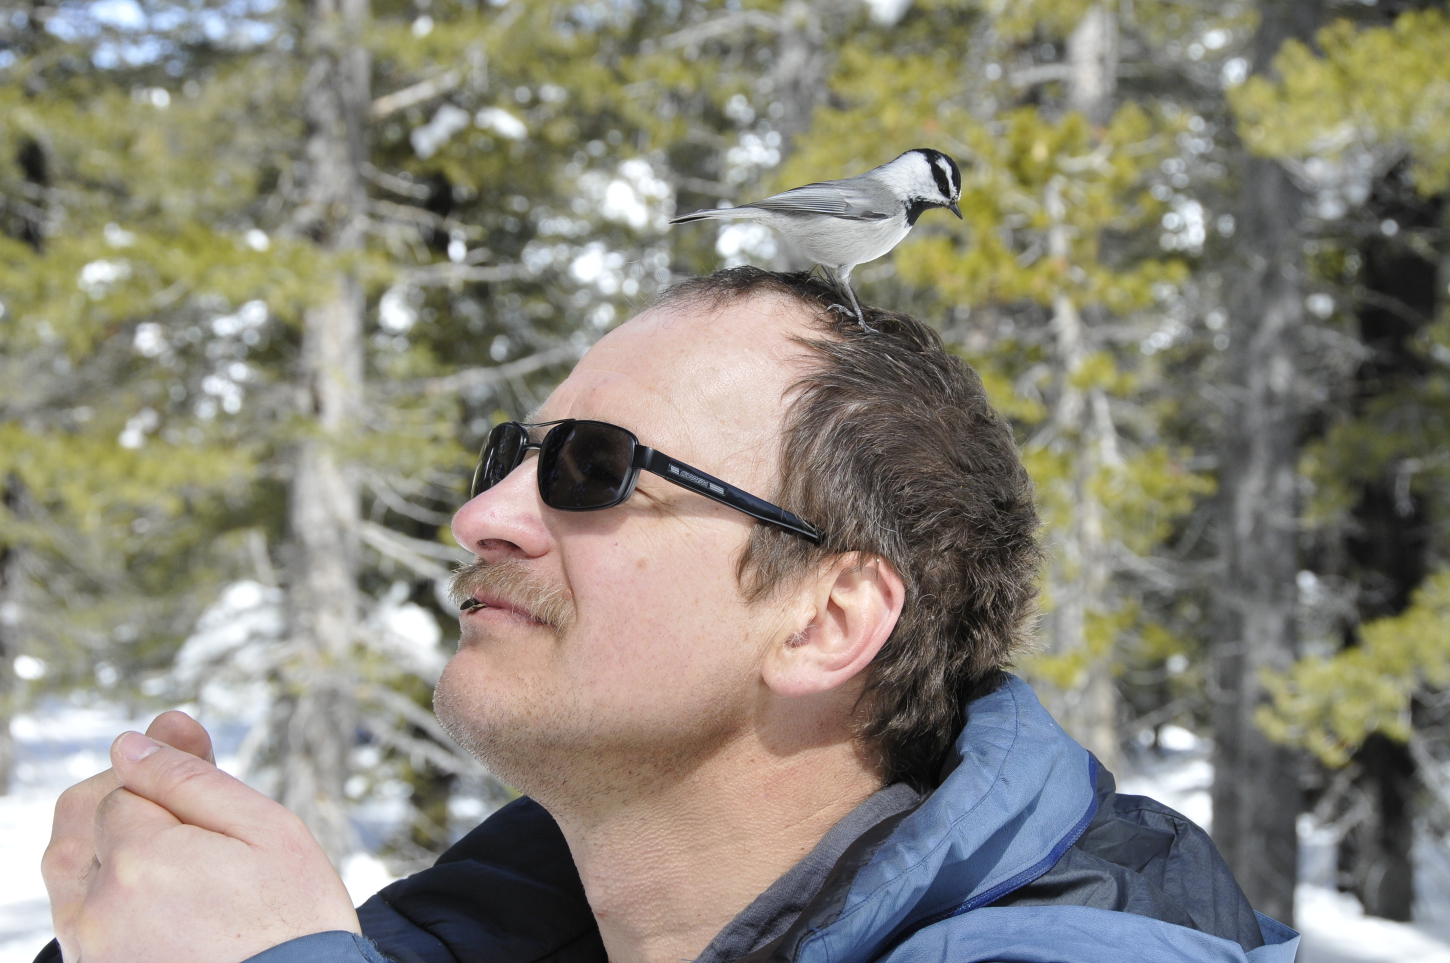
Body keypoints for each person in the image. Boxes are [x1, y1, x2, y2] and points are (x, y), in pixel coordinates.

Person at [37, 268, 1299, 963]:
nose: (485, 517)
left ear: (824, 618)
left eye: (594, 467)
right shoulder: (493, 934)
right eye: (506, 455)